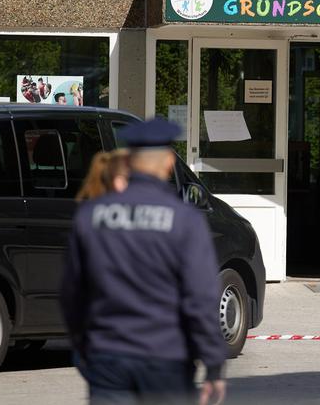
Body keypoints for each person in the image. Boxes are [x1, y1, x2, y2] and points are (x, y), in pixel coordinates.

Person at [61, 118, 227, 405]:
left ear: (129, 162)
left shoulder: (91, 216)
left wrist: (83, 346)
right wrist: (213, 365)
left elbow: (71, 293)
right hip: (166, 357)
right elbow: (200, 299)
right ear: (166, 162)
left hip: (107, 356)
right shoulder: (185, 220)